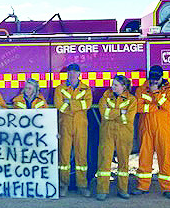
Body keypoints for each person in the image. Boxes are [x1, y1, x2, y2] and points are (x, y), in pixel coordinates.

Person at [132, 65, 170, 199]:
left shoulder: (169, 89)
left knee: (165, 158)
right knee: (144, 157)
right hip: (146, 128)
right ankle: (142, 186)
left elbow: (168, 106)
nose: (154, 81)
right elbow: (139, 108)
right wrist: (156, 106)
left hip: (163, 129)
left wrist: (156, 93)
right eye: (152, 78)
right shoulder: (141, 89)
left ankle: (168, 188)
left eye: (157, 78)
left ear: (162, 77)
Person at [95, 75, 137, 201]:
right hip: (107, 132)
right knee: (104, 160)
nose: (112, 87)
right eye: (112, 84)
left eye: (115, 85)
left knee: (123, 162)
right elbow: (104, 114)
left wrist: (112, 112)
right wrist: (120, 112)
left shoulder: (132, 100)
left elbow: (128, 118)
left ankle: (122, 190)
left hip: (124, 133)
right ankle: (102, 190)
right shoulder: (106, 96)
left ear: (123, 87)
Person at [54, 63, 92, 197]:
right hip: (65, 125)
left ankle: (82, 185)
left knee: (81, 155)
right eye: (69, 72)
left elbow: (87, 104)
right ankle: (63, 185)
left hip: (80, 126)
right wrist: (76, 106)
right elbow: (59, 106)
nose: (72, 74)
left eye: (74, 72)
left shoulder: (86, 89)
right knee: (64, 156)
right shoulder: (60, 88)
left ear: (79, 74)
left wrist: (69, 103)